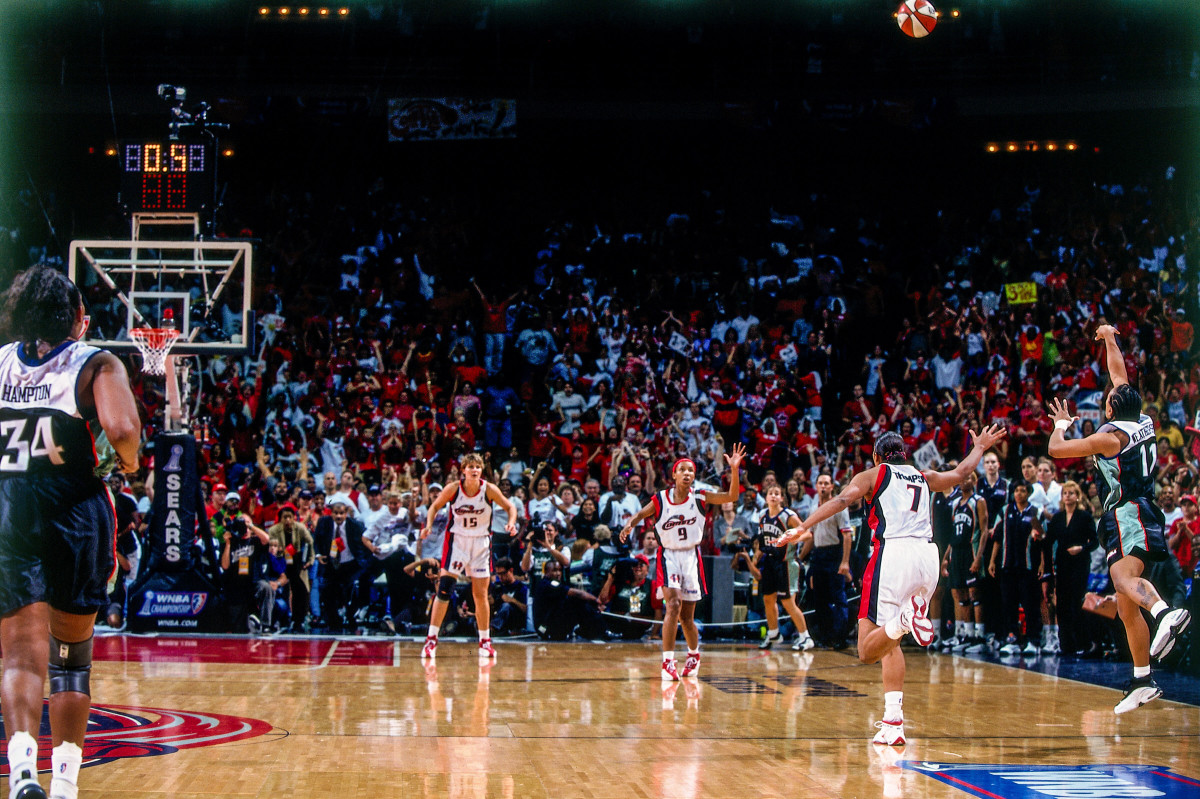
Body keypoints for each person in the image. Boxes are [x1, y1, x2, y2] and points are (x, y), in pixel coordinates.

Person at [0, 265, 141, 799]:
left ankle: (20, 773)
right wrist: (125, 463)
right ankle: (64, 783)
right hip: (76, 511)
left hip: (11, 509)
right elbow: (123, 430)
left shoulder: (1, 363)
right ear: (78, 319)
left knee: (19, 656)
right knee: (70, 660)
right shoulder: (95, 362)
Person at [780, 424, 1005, 746]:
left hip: (893, 554)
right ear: (905, 455)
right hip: (927, 557)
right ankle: (893, 723)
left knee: (867, 648)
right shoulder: (924, 476)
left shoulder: (873, 475)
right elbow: (963, 472)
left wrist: (802, 526)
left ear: (877, 457)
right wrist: (980, 446)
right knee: (891, 644)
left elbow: (843, 500)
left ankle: (903, 621)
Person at [1047, 324, 1191, 714]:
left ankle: (1166, 614)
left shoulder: (1109, 436)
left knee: (1123, 581)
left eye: (1109, 398)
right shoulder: (1140, 418)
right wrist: (1109, 337)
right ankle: (1142, 679)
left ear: (1111, 409)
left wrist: (1062, 423)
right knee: (1125, 604)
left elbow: (1056, 450)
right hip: (1127, 512)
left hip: (1129, 511)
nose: (1109, 394)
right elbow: (1119, 375)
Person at [619, 444, 746, 682]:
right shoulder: (661, 499)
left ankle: (693, 656)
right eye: (683, 470)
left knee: (687, 618)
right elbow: (641, 514)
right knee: (673, 605)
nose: (688, 473)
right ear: (674, 475)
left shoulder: (700, 497)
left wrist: (734, 470)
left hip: (691, 557)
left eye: (691, 471)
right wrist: (630, 524)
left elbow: (732, 496)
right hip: (668, 556)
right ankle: (667, 661)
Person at [419, 453, 518, 660]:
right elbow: (435, 506)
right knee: (444, 589)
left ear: (481, 470)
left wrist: (511, 522)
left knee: (480, 595)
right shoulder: (454, 489)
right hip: (458, 542)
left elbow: (510, 507)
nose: (474, 470)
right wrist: (428, 525)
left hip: (481, 543)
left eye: (478, 467)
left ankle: (484, 641)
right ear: (463, 469)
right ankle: (431, 640)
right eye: (470, 466)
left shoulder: (488, 489)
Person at [733, 483, 815, 651]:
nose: (773, 496)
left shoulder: (788, 516)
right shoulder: (762, 515)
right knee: (768, 599)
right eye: (771, 493)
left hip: (786, 563)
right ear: (766, 495)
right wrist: (757, 555)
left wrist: (793, 539)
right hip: (769, 561)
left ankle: (805, 637)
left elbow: (807, 533)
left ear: (782, 498)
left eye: (777, 493)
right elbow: (763, 541)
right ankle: (774, 633)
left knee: (788, 602)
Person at [939, 471, 988, 652]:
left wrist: (978, 557)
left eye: (967, 478)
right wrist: (945, 559)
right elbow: (953, 534)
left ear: (974, 481)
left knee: (975, 595)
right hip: (956, 552)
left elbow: (984, 531)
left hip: (971, 551)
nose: (962, 481)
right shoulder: (955, 504)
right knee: (961, 595)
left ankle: (980, 636)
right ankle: (967, 634)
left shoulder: (978, 501)